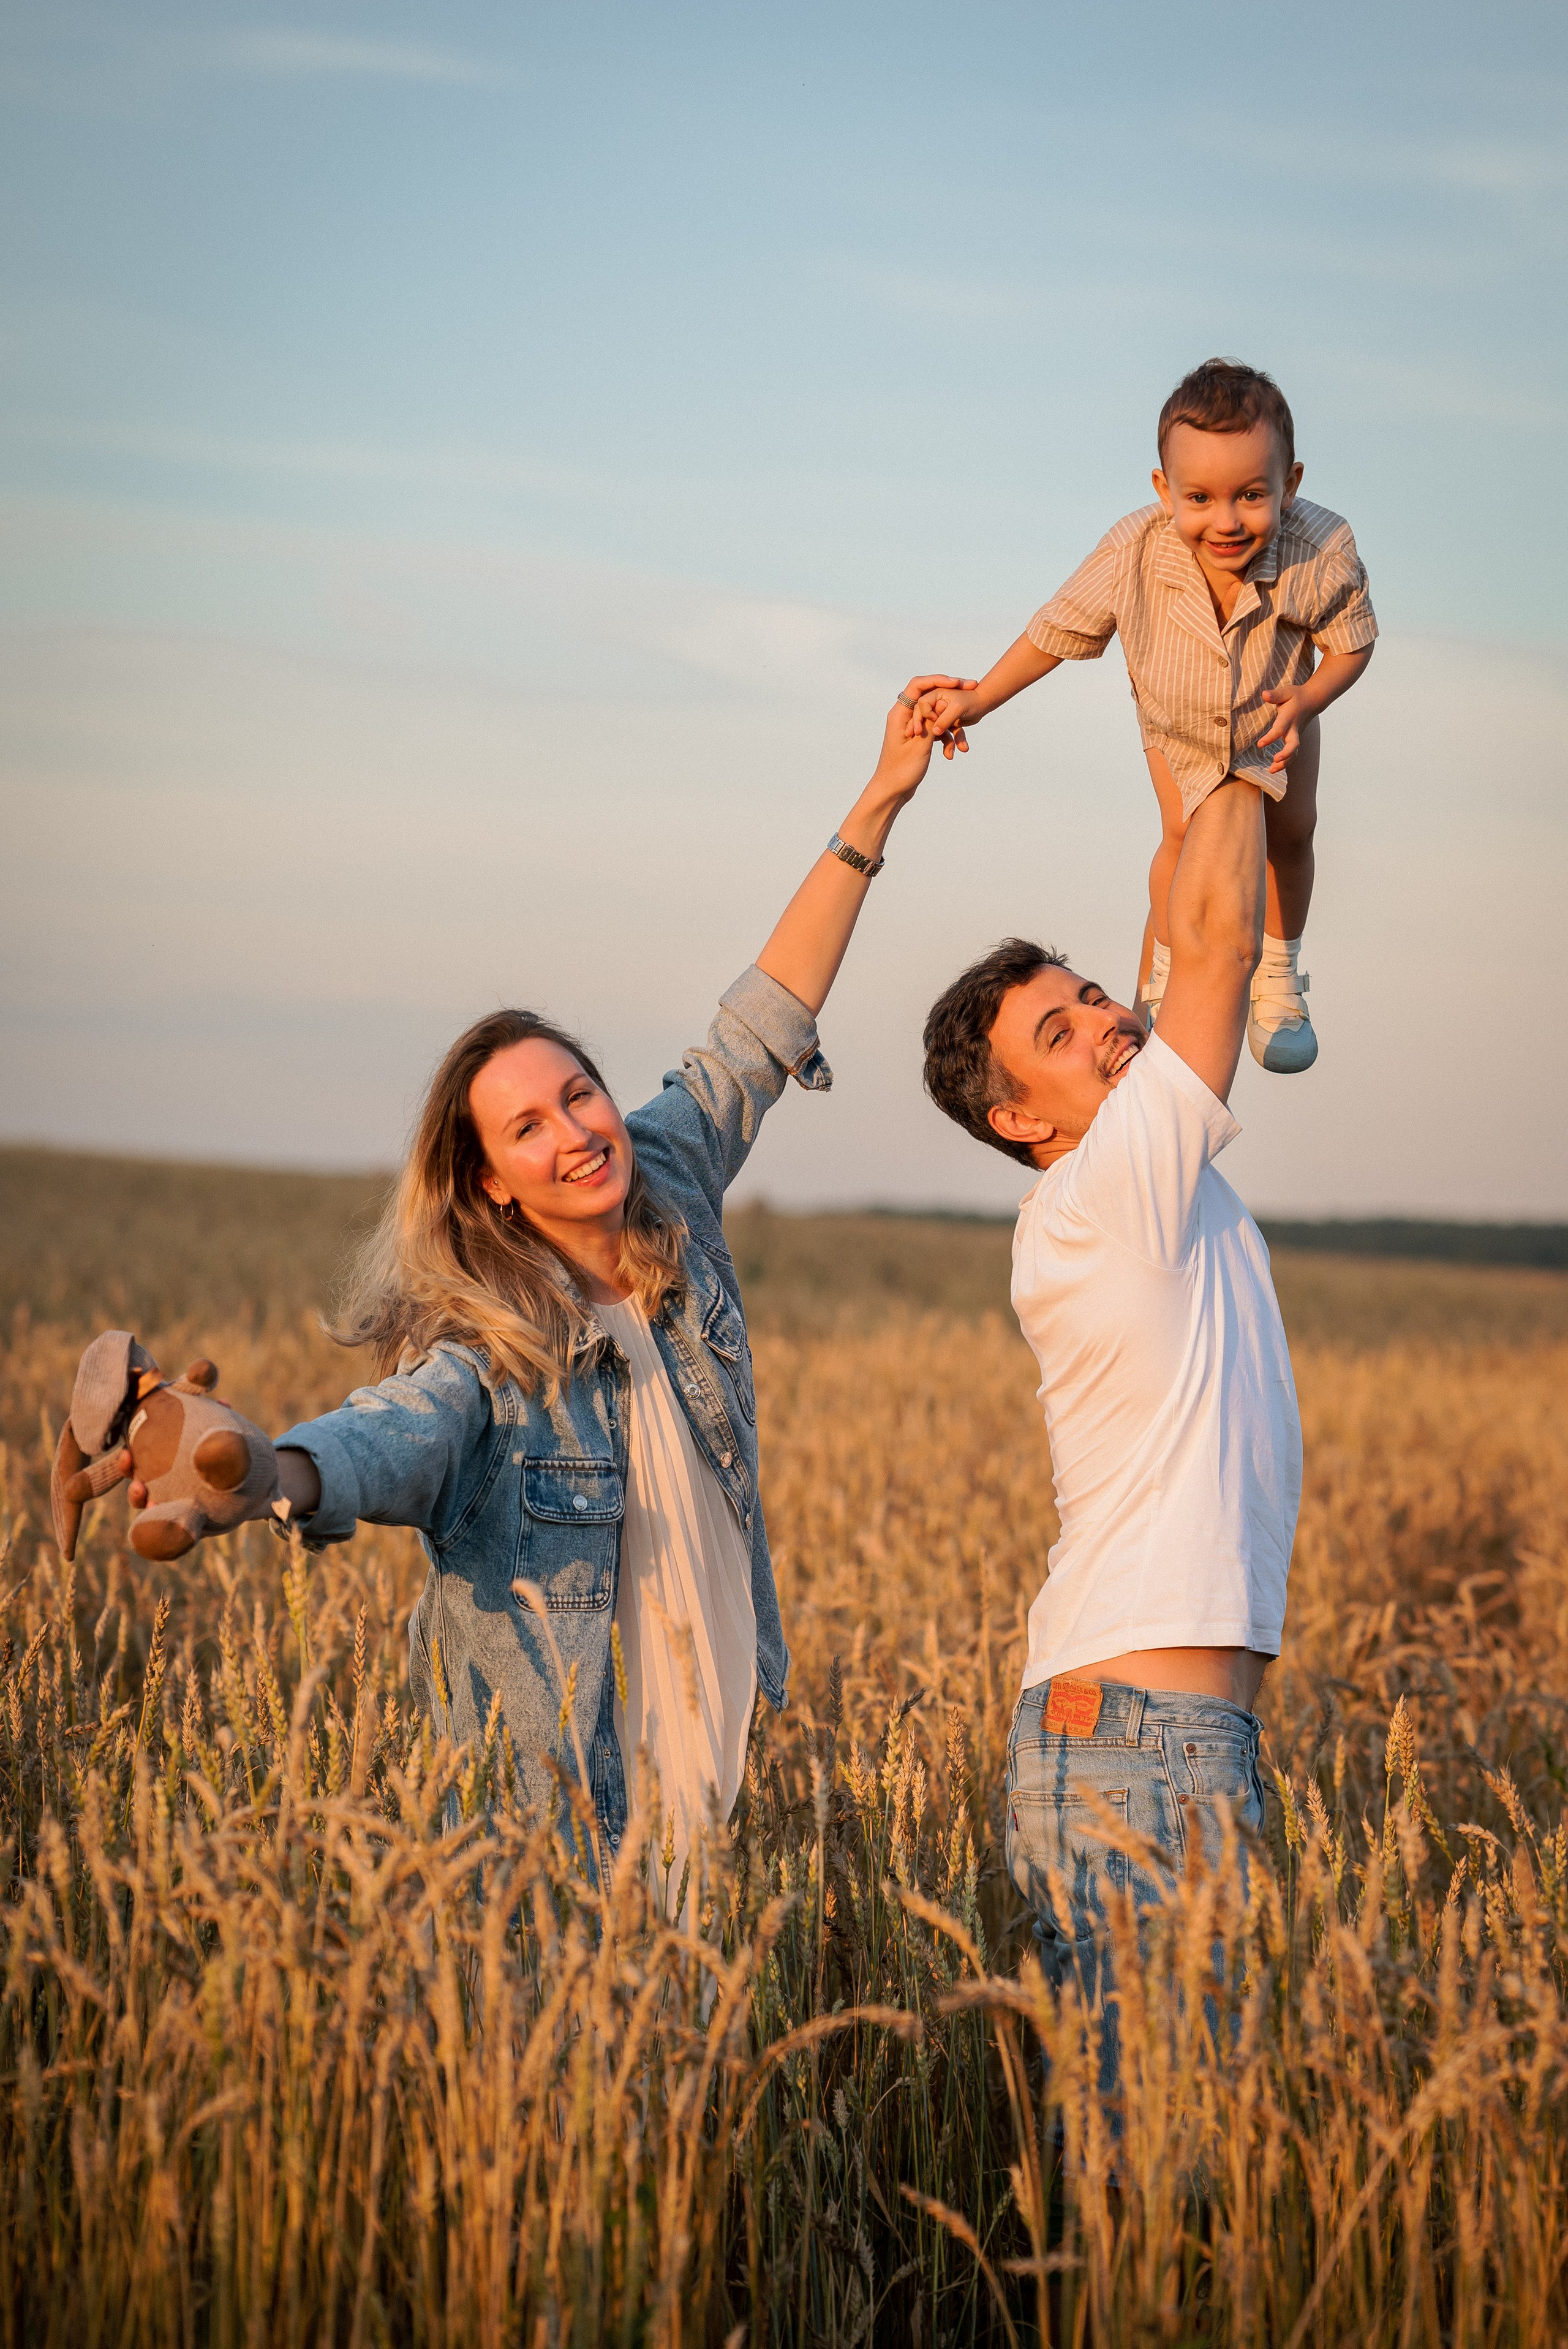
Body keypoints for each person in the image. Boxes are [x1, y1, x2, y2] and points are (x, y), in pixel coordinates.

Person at [105, 685, 965, 1907]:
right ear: (490, 1184)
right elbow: (384, 1444)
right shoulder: (487, 1359)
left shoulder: (667, 1174)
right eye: (528, 1125)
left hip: (722, 1782)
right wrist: (266, 1468)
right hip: (566, 1841)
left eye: (580, 1092)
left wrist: (879, 794)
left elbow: (759, 1025)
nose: (574, 1131)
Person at [921, 769, 1300, 2056]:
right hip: (1137, 1743)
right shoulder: (1101, 1194)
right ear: (1020, 1118)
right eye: (1055, 1032)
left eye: (1088, 995)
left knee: (1186, 2162)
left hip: (1165, 1738)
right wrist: (1244, 748)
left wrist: (1195, 753)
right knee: (1166, 2167)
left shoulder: (1139, 1170)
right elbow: (1213, 939)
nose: (1096, 1019)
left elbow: (1179, 902)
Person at [905, 357, 1376, 1073]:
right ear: (1164, 490)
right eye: (1200, 497)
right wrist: (979, 698)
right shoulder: (1133, 549)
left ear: (1292, 484)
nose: (1226, 520)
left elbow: (1351, 645)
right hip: (1176, 726)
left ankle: (1279, 977)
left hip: (1278, 716)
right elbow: (1054, 632)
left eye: (1251, 495)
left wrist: (1310, 699)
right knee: (1180, 836)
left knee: (1294, 833)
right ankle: (1162, 969)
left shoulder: (1322, 550)